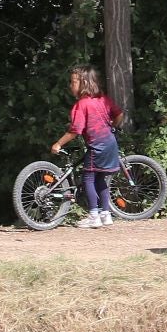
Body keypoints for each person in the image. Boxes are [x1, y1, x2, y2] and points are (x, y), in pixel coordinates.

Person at [49, 66, 122, 230]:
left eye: (73, 82)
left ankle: (93, 215)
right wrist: (112, 127)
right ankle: (106, 214)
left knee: (88, 178)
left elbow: (75, 130)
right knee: (100, 179)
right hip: (111, 144)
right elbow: (119, 114)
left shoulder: (82, 104)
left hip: (97, 147)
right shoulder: (103, 99)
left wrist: (58, 143)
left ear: (84, 83)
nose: (70, 85)